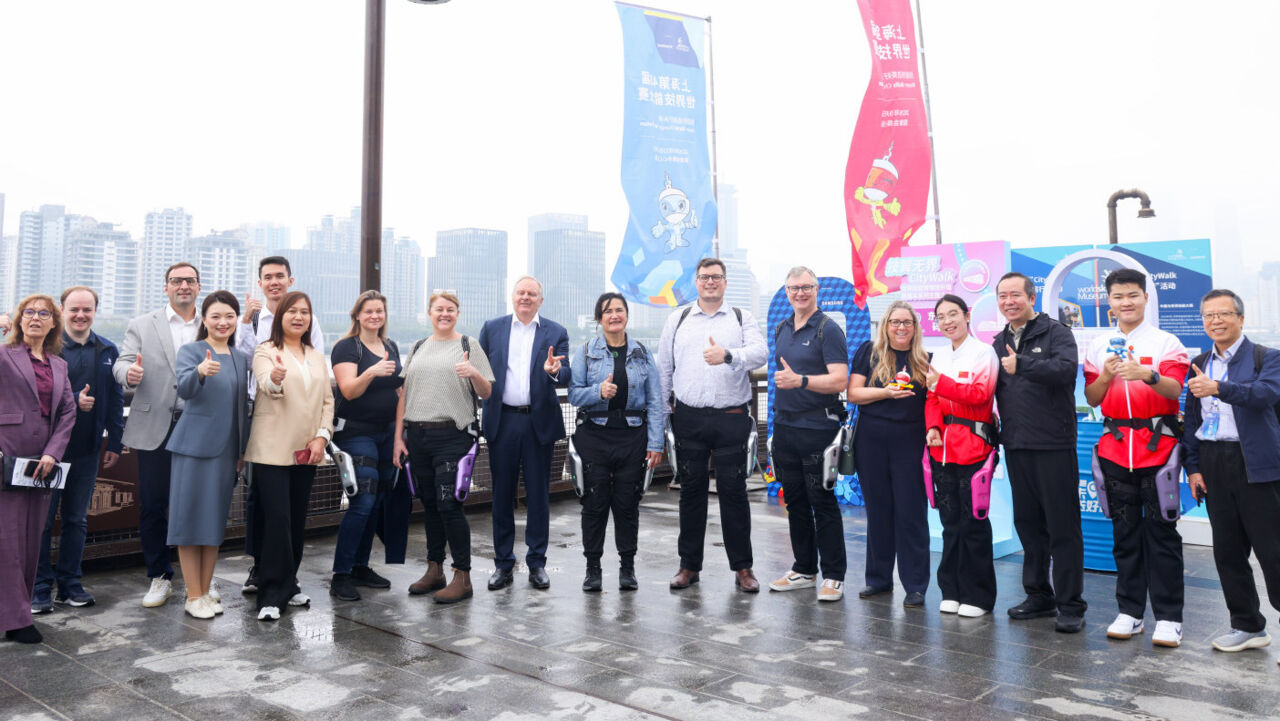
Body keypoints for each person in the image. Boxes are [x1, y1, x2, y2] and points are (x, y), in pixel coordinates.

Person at [1083, 268, 1189, 648]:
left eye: (1132, 295)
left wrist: (1148, 375)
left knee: (1161, 534)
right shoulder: (1098, 345)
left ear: (1145, 297)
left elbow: (1175, 389)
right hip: (1114, 449)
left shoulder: (1166, 343)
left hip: (1158, 450)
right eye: (1118, 296)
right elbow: (1092, 397)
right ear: (1108, 302)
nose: (1125, 302)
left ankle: (1169, 617)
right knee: (1124, 534)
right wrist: (1106, 376)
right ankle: (1130, 612)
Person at [659, 257, 768, 592]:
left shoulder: (740, 317)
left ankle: (743, 568)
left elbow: (760, 353)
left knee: (734, 493)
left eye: (716, 277)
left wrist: (729, 355)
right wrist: (662, 416)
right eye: (704, 277)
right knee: (690, 494)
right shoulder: (678, 319)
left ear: (725, 282)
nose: (710, 282)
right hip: (688, 417)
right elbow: (664, 369)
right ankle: (689, 566)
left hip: (730, 417)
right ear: (696, 282)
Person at [1183, 289, 1280, 660]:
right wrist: (1194, 468)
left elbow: (1265, 394)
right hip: (1213, 462)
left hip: (1255, 463)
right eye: (1208, 315)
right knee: (1227, 551)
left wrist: (1219, 388)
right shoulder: (1199, 362)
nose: (1216, 321)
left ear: (1240, 318)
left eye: (1223, 314)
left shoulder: (1266, 357)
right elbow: (1192, 420)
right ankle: (1248, 625)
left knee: (1273, 550)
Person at [992, 271, 1087, 633]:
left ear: (1031, 298)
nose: (1009, 301)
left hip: (1053, 444)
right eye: (1003, 296)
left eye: (1015, 294)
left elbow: (1065, 371)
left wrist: (1024, 364)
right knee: (1028, 526)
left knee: (1063, 527)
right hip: (1017, 444)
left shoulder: (1056, 332)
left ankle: (1071, 604)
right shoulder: (999, 341)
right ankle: (1038, 595)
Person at [394, 292, 494, 603]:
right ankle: (434, 569)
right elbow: (404, 393)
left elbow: (487, 392)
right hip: (417, 436)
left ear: (457, 313)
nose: (444, 314)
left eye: (450, 309)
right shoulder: (417, 346)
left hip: (453, 436)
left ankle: (462, 576)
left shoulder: (468, 345)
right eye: (439, 309)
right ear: (430, 313)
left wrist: (473, 372)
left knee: (449, 504)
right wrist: (398, 438)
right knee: (430, 504)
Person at [113, 262, 202, 608]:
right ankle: (159, 575)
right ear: (166, 287)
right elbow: (121, 363)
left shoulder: (210, 322)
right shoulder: (142, 324)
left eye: (190, 280)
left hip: (198, 424)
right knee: (152, 504)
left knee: (196, 502)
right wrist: (129, 374)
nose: (183, 286)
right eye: (176, 281)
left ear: (199, 286)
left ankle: (199, 577)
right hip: (155, 426)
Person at [236, 255, 327, 595]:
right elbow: (245, 362)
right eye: (268, 277)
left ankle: (284, 574)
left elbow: (315, 370)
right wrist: (244, 322)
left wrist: (320, 432)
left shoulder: (308, 321)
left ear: (290, 280)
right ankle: (260, 567)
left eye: (280, 276)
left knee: (288, 506)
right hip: (258, 412)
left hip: (296, 416)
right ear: (260, 283)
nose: (274, 282)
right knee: (258, 499)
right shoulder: (254, 318)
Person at [32, 287, 125, 613]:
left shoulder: (107, 349)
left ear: (95, 311)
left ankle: (70, 583)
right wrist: (73, 399)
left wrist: (115, 441)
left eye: (87, 309)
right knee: (41, 523)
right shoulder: (47, 347)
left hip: (87, 450)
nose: (80, 315)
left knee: (76, 520)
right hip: (47, 451)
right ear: (62, 310)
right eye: (74, 309)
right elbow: (33, 395)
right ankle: (39, 586)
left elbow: (115, 399)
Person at [477, 276, 571, 591]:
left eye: (532, 293)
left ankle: (537, 563)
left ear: (540, 300)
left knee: (538, 495)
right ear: (513, 296)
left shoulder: (556, 332)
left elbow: (566, 373)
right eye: (521, 292)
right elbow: (480, 373)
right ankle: (503, 563)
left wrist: (554, 371)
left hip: (537, 423)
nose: (526, 297)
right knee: (501, 495)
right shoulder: (492, 328)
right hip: (502, 420)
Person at [567, 292, 664, 592]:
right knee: (594, 504)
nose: (614, 315)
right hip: (594, 435)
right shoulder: (585, 352)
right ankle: (592, 568)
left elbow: (655, 400)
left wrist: (656, 443)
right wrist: (598, 391)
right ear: (599, 318)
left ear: (626, 315)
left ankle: (627, 567)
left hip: (632, 436)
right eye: (607, 311)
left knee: (627, 504)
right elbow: (573, 394)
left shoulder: (642, 353)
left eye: (619, 310)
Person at [165, 291, 251, 619]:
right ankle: (193, 595)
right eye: (215, 316)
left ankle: (204, 591)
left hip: (227, 452)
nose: (222, 322)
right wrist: (200, 371)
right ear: (205, 319)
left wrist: (241, 450)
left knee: (213, 523)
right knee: (189, 522)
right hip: (194, 449)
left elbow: (241, 407)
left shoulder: (239, 357)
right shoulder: (191, 351)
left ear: (236, 319)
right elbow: (185, 390)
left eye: (229, 316)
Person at [765, 268, 849, 602]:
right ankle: (803, 569)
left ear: (816, 289)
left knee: (822, 502)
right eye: (794, 288)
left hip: (818, 428)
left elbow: (840, 380)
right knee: (794, 501)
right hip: (785, 427)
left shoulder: (828, 329)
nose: (800, 293)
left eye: (806, 287)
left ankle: (834, 576)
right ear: (786, 292)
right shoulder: (782, 328)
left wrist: (801, 381)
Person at [0, 295, 77, 644]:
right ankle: (17, 620)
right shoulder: (4, 355)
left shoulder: (59, 365)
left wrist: (52, 453)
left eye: (43, 313)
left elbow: (68, 412)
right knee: (7, 540)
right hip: (7, 455)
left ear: (53, 324)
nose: (35, 317)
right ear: (19, 321)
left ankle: (20, 611)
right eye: (28, 312)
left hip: (41, 464)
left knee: (32, 539)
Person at [847, 301, 930, 607]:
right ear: (886, 325)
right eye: (895, 322)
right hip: (871, 442)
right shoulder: (869, 352)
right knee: (878, 512)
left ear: (915, 327)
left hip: (910, 442)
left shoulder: (925, 360)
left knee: (911, 513)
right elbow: (854, 393)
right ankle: (878, 579)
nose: (901, 327)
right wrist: (886, 392)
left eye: (907, 322)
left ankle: (915, 585)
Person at [328, 291, 407, 602]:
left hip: (386, 433)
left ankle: (361, 566)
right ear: (357, 315)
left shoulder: (390, 346)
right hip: (355, 433)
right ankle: (341, 574)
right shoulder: (348, 347)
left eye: (379, 311)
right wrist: (371, 372)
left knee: (378, 501)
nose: (375, 316)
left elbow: (400, 393)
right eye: (369, 311)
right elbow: (348, 391)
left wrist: (400, 436)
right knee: (362, 501)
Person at [924, 294, 999, 617]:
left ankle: (978, 596)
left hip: (975, 446)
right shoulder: (938, 355)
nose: (947, 321)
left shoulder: (984, 352)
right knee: (949, 522)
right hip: (942, 449)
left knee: (974, 522)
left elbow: (980, 394)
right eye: (941, 317)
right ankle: (951, 590)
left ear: (967, 315)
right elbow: (931, 399)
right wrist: (933, 426)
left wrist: (942, 383)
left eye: (952, 314)